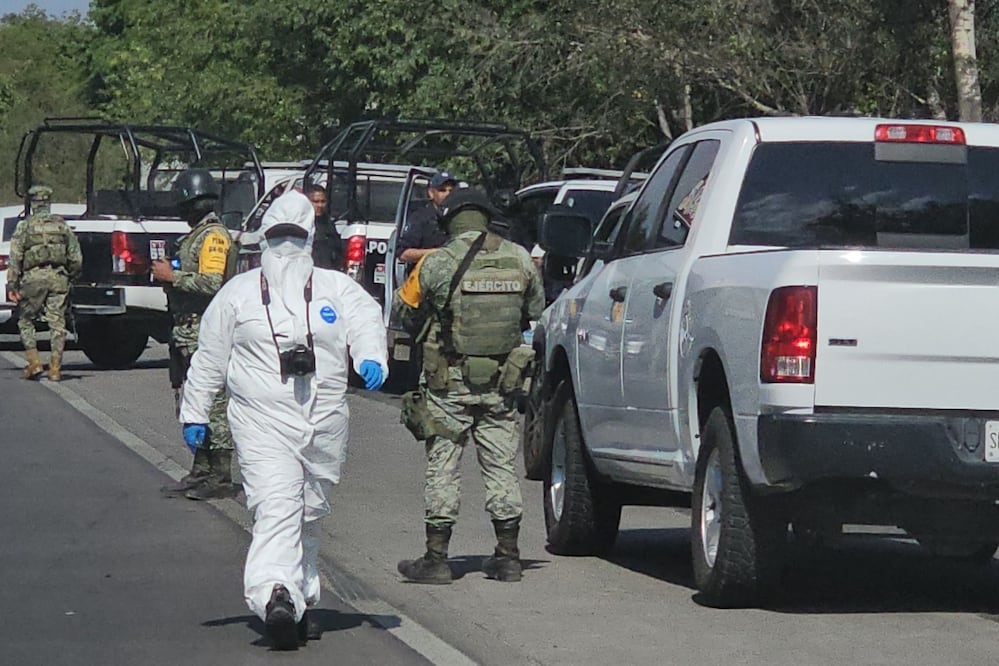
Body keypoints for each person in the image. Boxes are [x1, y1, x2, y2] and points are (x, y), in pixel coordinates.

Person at [179, 190, 388, 649]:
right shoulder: (239, 293)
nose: (287, 247)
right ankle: (274, 593)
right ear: (264, 239)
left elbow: (367, 320)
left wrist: (371, 355)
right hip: (261, 420)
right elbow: (209, 356)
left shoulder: (336, 289)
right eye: (279, 237)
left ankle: (300, 597)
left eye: (295, 237)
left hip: (325, 419)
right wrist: (195, 410)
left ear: (310, 238)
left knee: (309, 512)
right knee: (276, 507)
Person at [392, 187, 544, 585]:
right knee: (501, 467)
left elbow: (402, 313)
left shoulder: (436, 264)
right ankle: (509, 556)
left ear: (449, 221)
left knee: (443, 466)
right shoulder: (521, 259)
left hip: (448, 385)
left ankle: (437, 559)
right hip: (502, 384)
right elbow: (534, 313)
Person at [152, 168, 237, 501]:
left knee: (213, 401)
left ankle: (221, 475)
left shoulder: (213, 236)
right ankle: (201, 468)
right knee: (193, 399)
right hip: (187, 329)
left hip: (206, 329)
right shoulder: (196, 235)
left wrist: (173, 277)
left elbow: (212, 283)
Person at [6, 185, 82, 381]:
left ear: (32, 203)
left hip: (33, 278)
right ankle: (55, 368)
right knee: (57, 323)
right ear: (48, 203)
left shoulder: (25, 226)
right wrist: (72, 276)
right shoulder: (61, 225)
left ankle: (34, 363)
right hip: (59, 278)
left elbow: (15, 258)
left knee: (25, 319)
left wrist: (12, 285)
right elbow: (76, 257)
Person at [397, 170, 458, 266]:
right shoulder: (420, 217)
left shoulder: (461, 216)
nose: (447, 194)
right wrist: (437, 253)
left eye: (451, 190)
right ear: (431, 193)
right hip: (425, 275)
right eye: (442, 190)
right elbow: (403, 254)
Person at [304, 182, 342, 270]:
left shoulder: (329, 224)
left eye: (323, 201)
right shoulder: (302, 223)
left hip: (327, 273)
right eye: (316, 202)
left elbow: (337, 250)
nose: (320, 205)